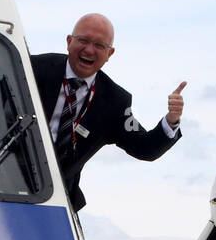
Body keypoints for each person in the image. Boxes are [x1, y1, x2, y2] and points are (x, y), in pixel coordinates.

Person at [30, 13, 185, 212]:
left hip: (58, 202)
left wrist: (172, 120)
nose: (89, 50)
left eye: (99, 45)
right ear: (69, 41)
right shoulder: (32, 68)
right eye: (83, 40)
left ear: (109, 53)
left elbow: (145, 148)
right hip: (2, 182)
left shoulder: (115, 102)